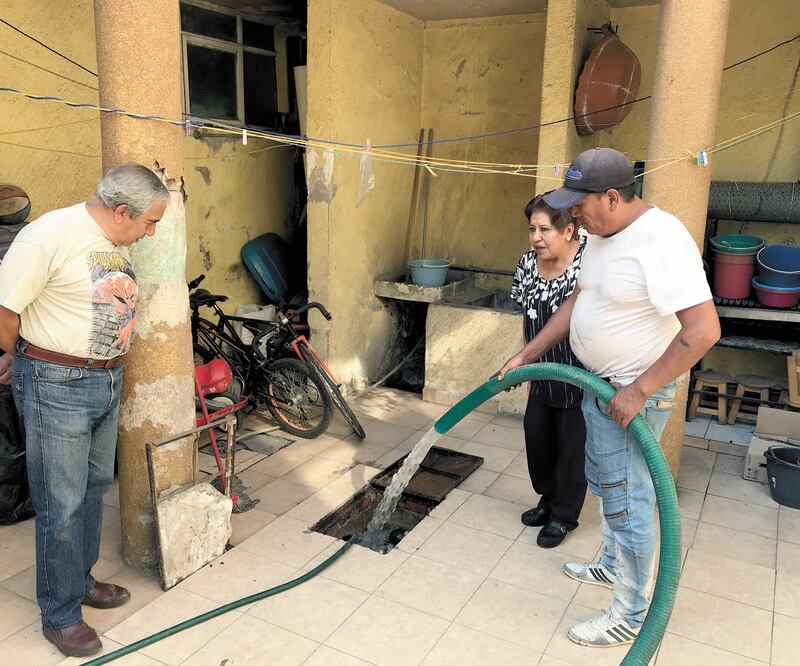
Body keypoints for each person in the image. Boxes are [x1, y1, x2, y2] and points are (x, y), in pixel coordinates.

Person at [498, 147, 720, 648]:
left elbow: (703, 330)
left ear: (613, 197)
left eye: (580, 203)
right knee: (605, 484)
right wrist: (527, 354)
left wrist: (638, 390)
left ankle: (631, 613)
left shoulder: (660, 240)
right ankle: (611, 562)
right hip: (601, 386)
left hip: (632, 393)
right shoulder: (602, 236)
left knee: (629, 501)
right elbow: (581, 301)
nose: (572, 213)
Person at [0, 164, 169, 658]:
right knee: (61, 500)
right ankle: (60, 613)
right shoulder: (49, 234)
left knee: (94, 488)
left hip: (105, 376)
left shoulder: (112, 242)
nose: (150, 232)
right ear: (122, 212)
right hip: (57, 382)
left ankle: (80, 579)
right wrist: (11, 355)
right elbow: (5, 306)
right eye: (149, 222)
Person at [510, 194, 587, 548]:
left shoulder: (587, 263)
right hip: (541, 376)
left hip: (580, 379)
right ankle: (547, 499)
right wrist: (522, 360)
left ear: (569, 229)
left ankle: (563, 516)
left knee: (572, 450)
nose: (536, 238)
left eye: (545, 229)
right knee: (538, 441)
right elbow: (526, 316)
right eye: (532, 229)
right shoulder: (528, 263)